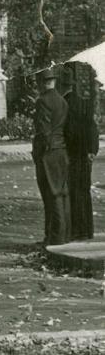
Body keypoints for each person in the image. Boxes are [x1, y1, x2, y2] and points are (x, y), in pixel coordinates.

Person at [32, 65, 70, 247]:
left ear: (41, 83)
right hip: (61, 151)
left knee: (51, 196)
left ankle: (54, 237)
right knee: (61, 193)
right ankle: (61, 235)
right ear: (53, 81)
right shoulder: (63, 101)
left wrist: (38, 153)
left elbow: (43, 131)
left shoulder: (42, 101)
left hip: (48, 153)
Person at [63, 61, 99, 242]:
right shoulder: (84, 103)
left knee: (73, 192)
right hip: (85, 154)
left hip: (72, 154)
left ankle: (76, 230)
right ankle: (87, 230)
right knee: (84, 191)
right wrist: (92, 150)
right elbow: (92, 127)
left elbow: (67, 131)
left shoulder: (65, 104)